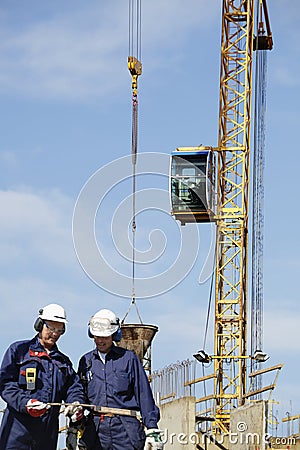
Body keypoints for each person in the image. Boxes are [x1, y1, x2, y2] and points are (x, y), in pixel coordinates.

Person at [0, 303, 86, 450]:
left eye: (59, 330)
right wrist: (25, 403)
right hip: (16, 433)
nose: (54, 334)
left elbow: (74, 388)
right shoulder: (19, 351)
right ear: (39, 325)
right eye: (51, 328)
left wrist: (76, 404)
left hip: (46, 436)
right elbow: (5, 384)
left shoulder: (63, 363)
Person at [78, 308, 163, 450]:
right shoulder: (86, 361)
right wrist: (75, 413)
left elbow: (143, 394)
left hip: (125, 431)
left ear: (114, 335)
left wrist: (152, 428)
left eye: (104, 337)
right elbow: (80, 392)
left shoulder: (128, 359)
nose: (100, 341)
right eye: (97, 336)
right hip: (96, 431)